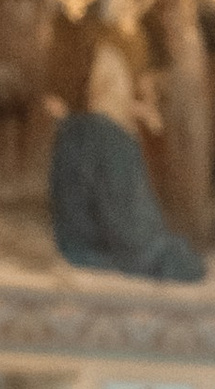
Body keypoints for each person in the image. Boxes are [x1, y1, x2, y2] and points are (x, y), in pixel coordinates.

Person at [46, 34, 203, 282]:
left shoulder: (91, 131)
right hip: (103, 231)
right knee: (152, 248)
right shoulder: (101, 134)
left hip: (99, 228)